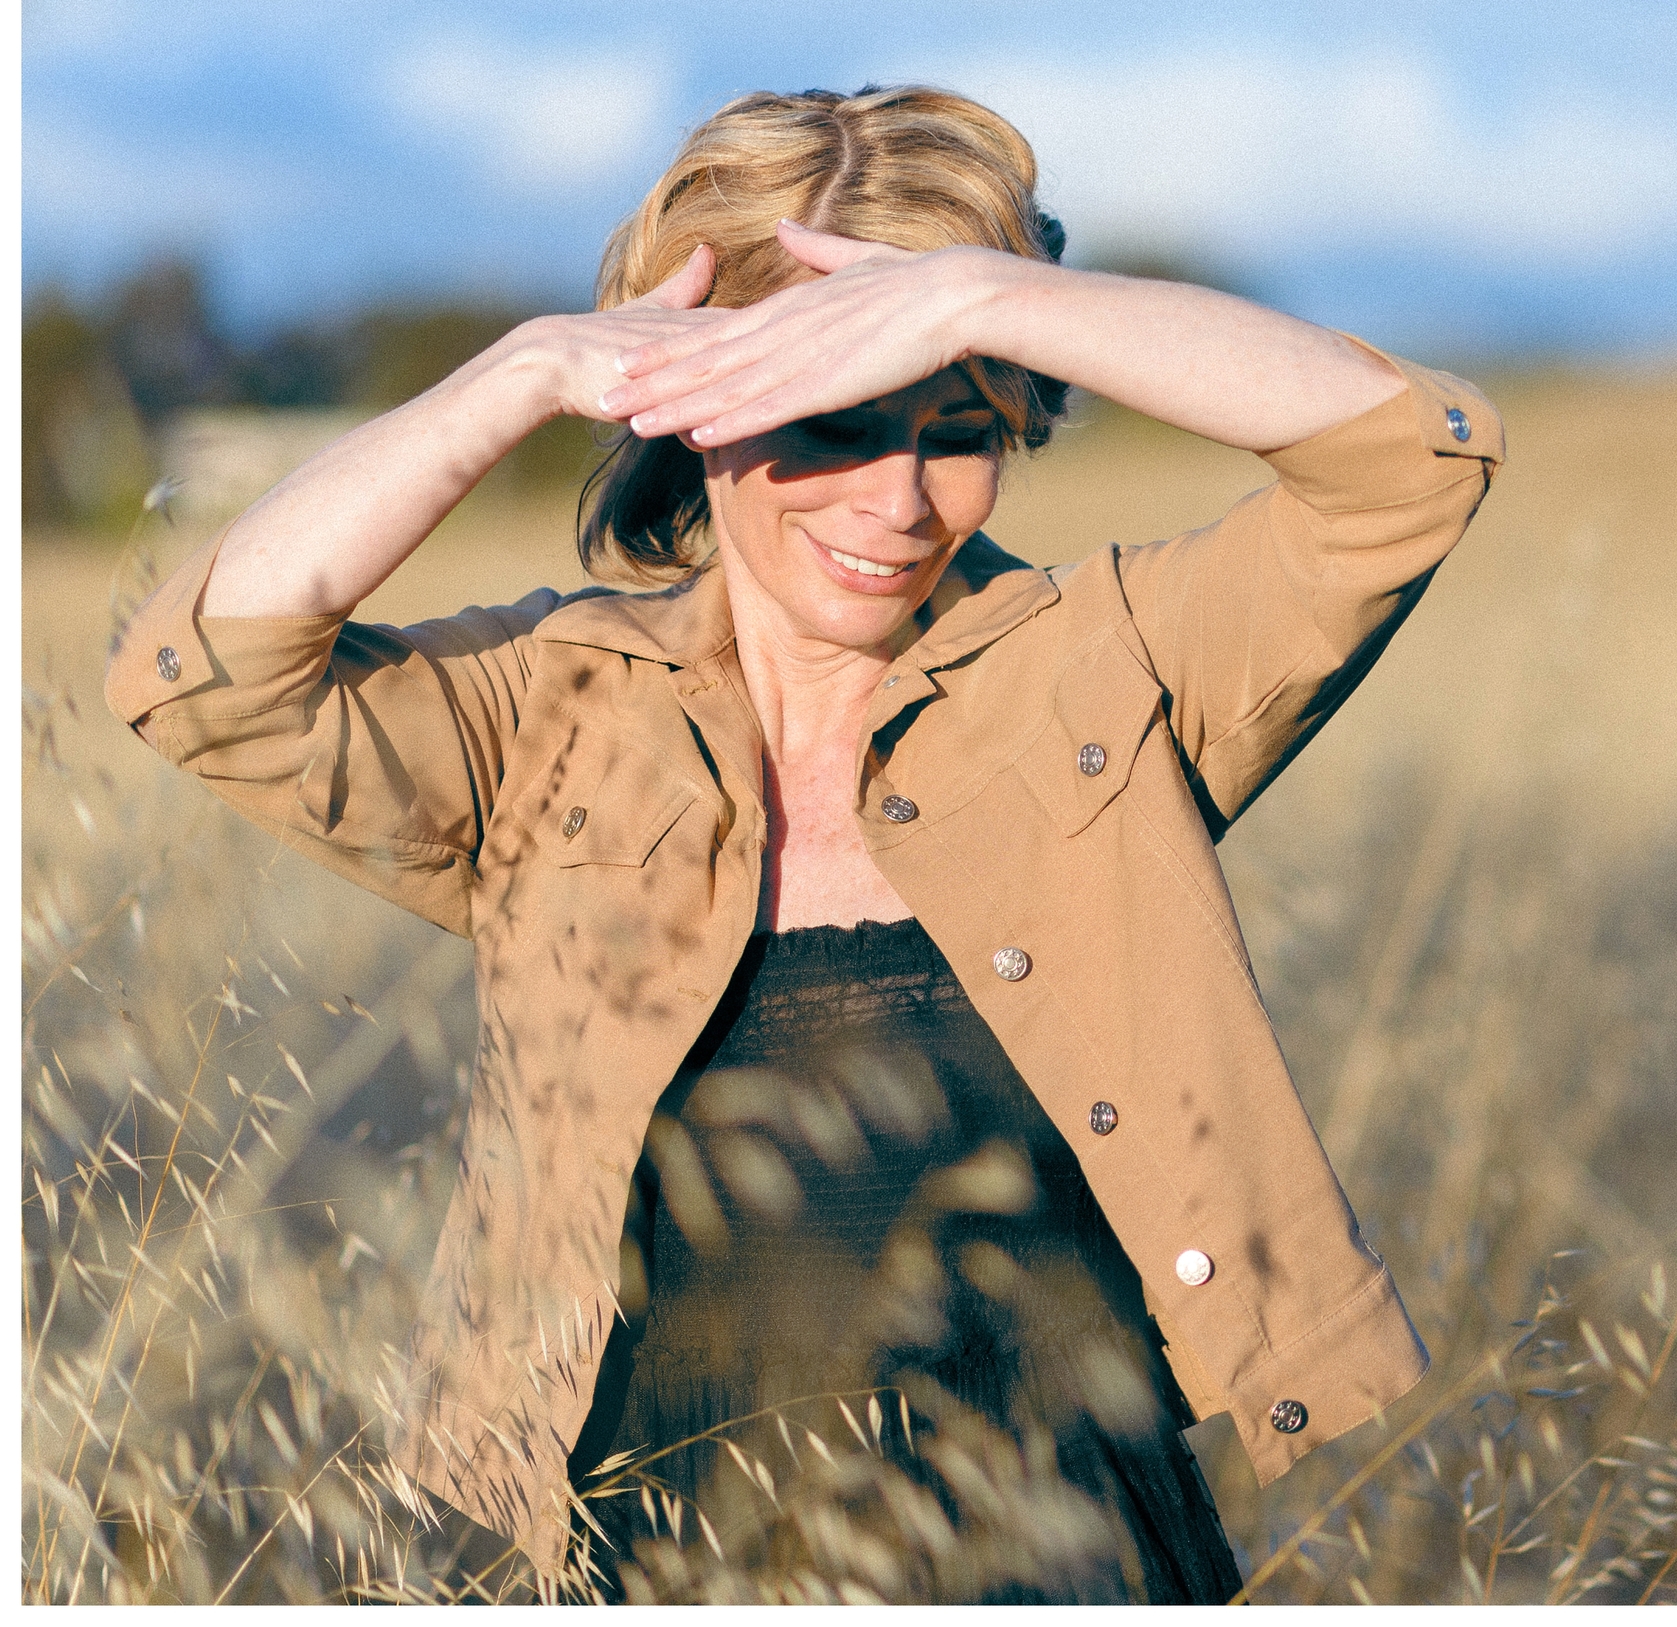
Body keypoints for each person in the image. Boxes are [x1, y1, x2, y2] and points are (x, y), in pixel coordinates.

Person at [106, 84, 1503, 1602]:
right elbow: (205, 682)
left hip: (1067, 1548)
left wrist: (989, 292)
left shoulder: (1104, 668)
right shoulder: (547, 712)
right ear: (689, 411)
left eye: (960, 431)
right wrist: (519, 375)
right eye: (830, 425)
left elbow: (1414, 457)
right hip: (668, 1549)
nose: (899, 502)